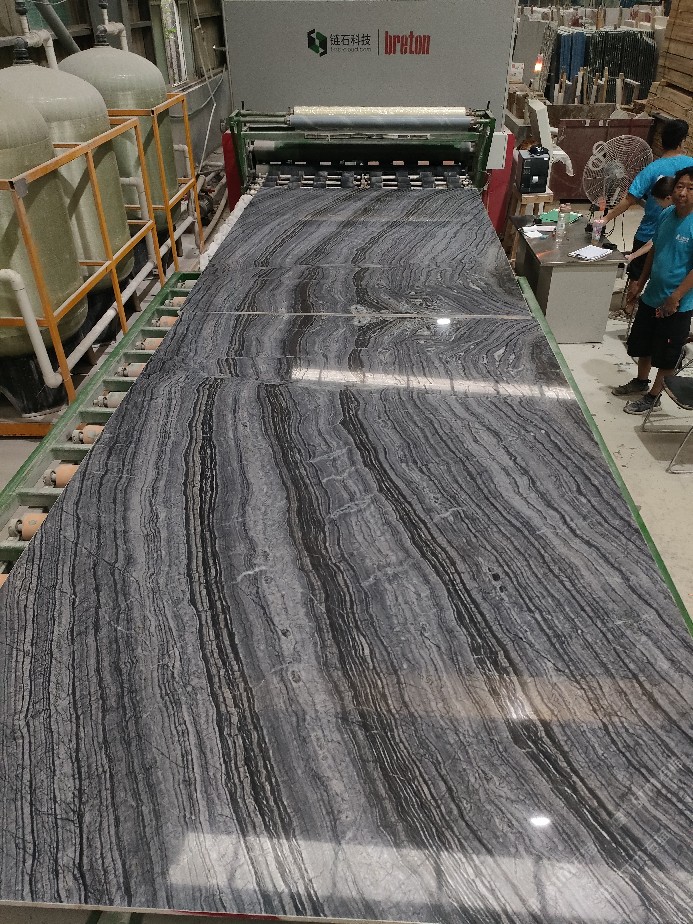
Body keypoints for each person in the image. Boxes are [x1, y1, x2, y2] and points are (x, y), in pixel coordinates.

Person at [611, 167, 693, 414]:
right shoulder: (667, 213)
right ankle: (641, 380)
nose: (683, 193)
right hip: (653, 293)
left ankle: (654, 396)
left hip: (677, 303)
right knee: (643, 343)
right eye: (680, 186)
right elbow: (655, 249)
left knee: (667, 354)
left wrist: (675, 297)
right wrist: (640, 282)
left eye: (691, 188)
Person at [606, 120, 693, 312]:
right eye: (679, 187)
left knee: (638, 275)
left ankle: (631, 307)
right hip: (673, 237)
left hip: (648, 231)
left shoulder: (652, 169)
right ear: (682, 141)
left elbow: (629, 199)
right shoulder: (690, 167)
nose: (682, 193)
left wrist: (605, 219)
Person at [622, 176, 675, 292]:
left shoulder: (678, 216)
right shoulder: (667, 213)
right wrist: (633, 255)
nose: (657, 204)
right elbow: (654, 240)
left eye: (657, 201)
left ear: (668, 198)